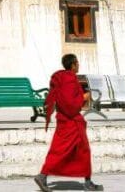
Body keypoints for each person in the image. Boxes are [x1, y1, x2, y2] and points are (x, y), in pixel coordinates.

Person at [34, 54, 103, 191]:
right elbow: (70, 104)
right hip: (70, 122)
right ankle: (42, 176)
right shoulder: (69, 79)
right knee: (61, 151)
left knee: (77, 151)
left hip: (67, 121)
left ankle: (87, 181)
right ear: (72, 65)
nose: (78, 65)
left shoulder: (63, 78)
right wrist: (84, 97)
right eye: (77, 63)